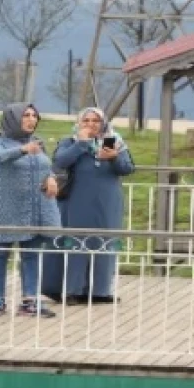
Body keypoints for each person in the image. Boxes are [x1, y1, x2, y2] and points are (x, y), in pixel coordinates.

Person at [43, 107, 135, 305]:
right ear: (79, 123)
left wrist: (114, 158)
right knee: (77, 241)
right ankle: (72, 290)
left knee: (104, 242)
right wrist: (82, 144)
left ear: (103, 123)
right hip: (77, 199)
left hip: (107, 200)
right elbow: (60, 162)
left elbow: (127, 168)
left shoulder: (112, 140)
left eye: (95, 121)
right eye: (86, 121)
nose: (91, 124)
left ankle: (100, 291)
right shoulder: (70, 142)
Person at [0, 103, 60, 317]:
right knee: (0, 254)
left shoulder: (37, 142)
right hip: (5, 208)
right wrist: (22, 150)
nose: (31, 119)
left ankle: (30, 301)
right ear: (13, 118)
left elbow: (46, 166)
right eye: (26, 115)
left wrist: (52, 178)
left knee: (31, 254)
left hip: (33, 208)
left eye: (35, 115)